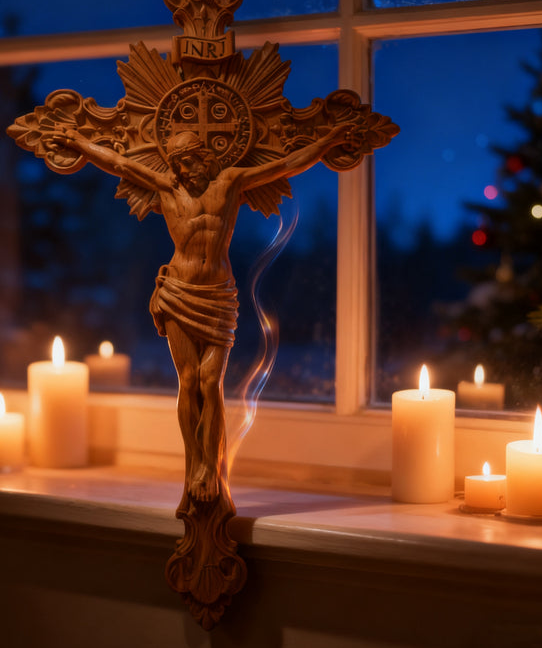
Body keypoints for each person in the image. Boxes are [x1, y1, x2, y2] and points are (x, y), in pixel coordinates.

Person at [55, 128, 346, 502]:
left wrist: (326, 142)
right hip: (178, 291)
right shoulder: (166, 187)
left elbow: (285, 164)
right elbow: (117, 161)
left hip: (218, 294)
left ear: (204, 156)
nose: (182, 171)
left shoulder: (230, 182)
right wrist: (79, 144)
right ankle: (196, 465)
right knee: (189, 380)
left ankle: (212, 466)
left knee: (212, 382)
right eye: (176, 164)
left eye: (188, 161)